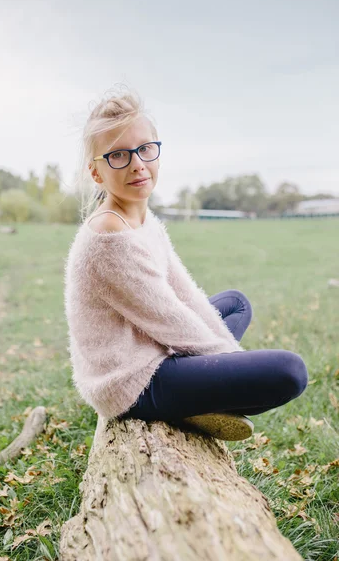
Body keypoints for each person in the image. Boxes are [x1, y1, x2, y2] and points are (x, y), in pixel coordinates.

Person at [63, 85, 308, 441]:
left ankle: (200, 397)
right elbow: (171, 320)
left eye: (145, 149)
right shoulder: (109, 239)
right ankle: (192, 402)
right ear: (97, 172)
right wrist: (233, 369)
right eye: (118, 155)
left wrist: (228, 365)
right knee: (290, 371)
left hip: (155, 347)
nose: (138, 164)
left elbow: (186, 297)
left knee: (235, 304)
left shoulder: (142, 219)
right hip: (132, 383)